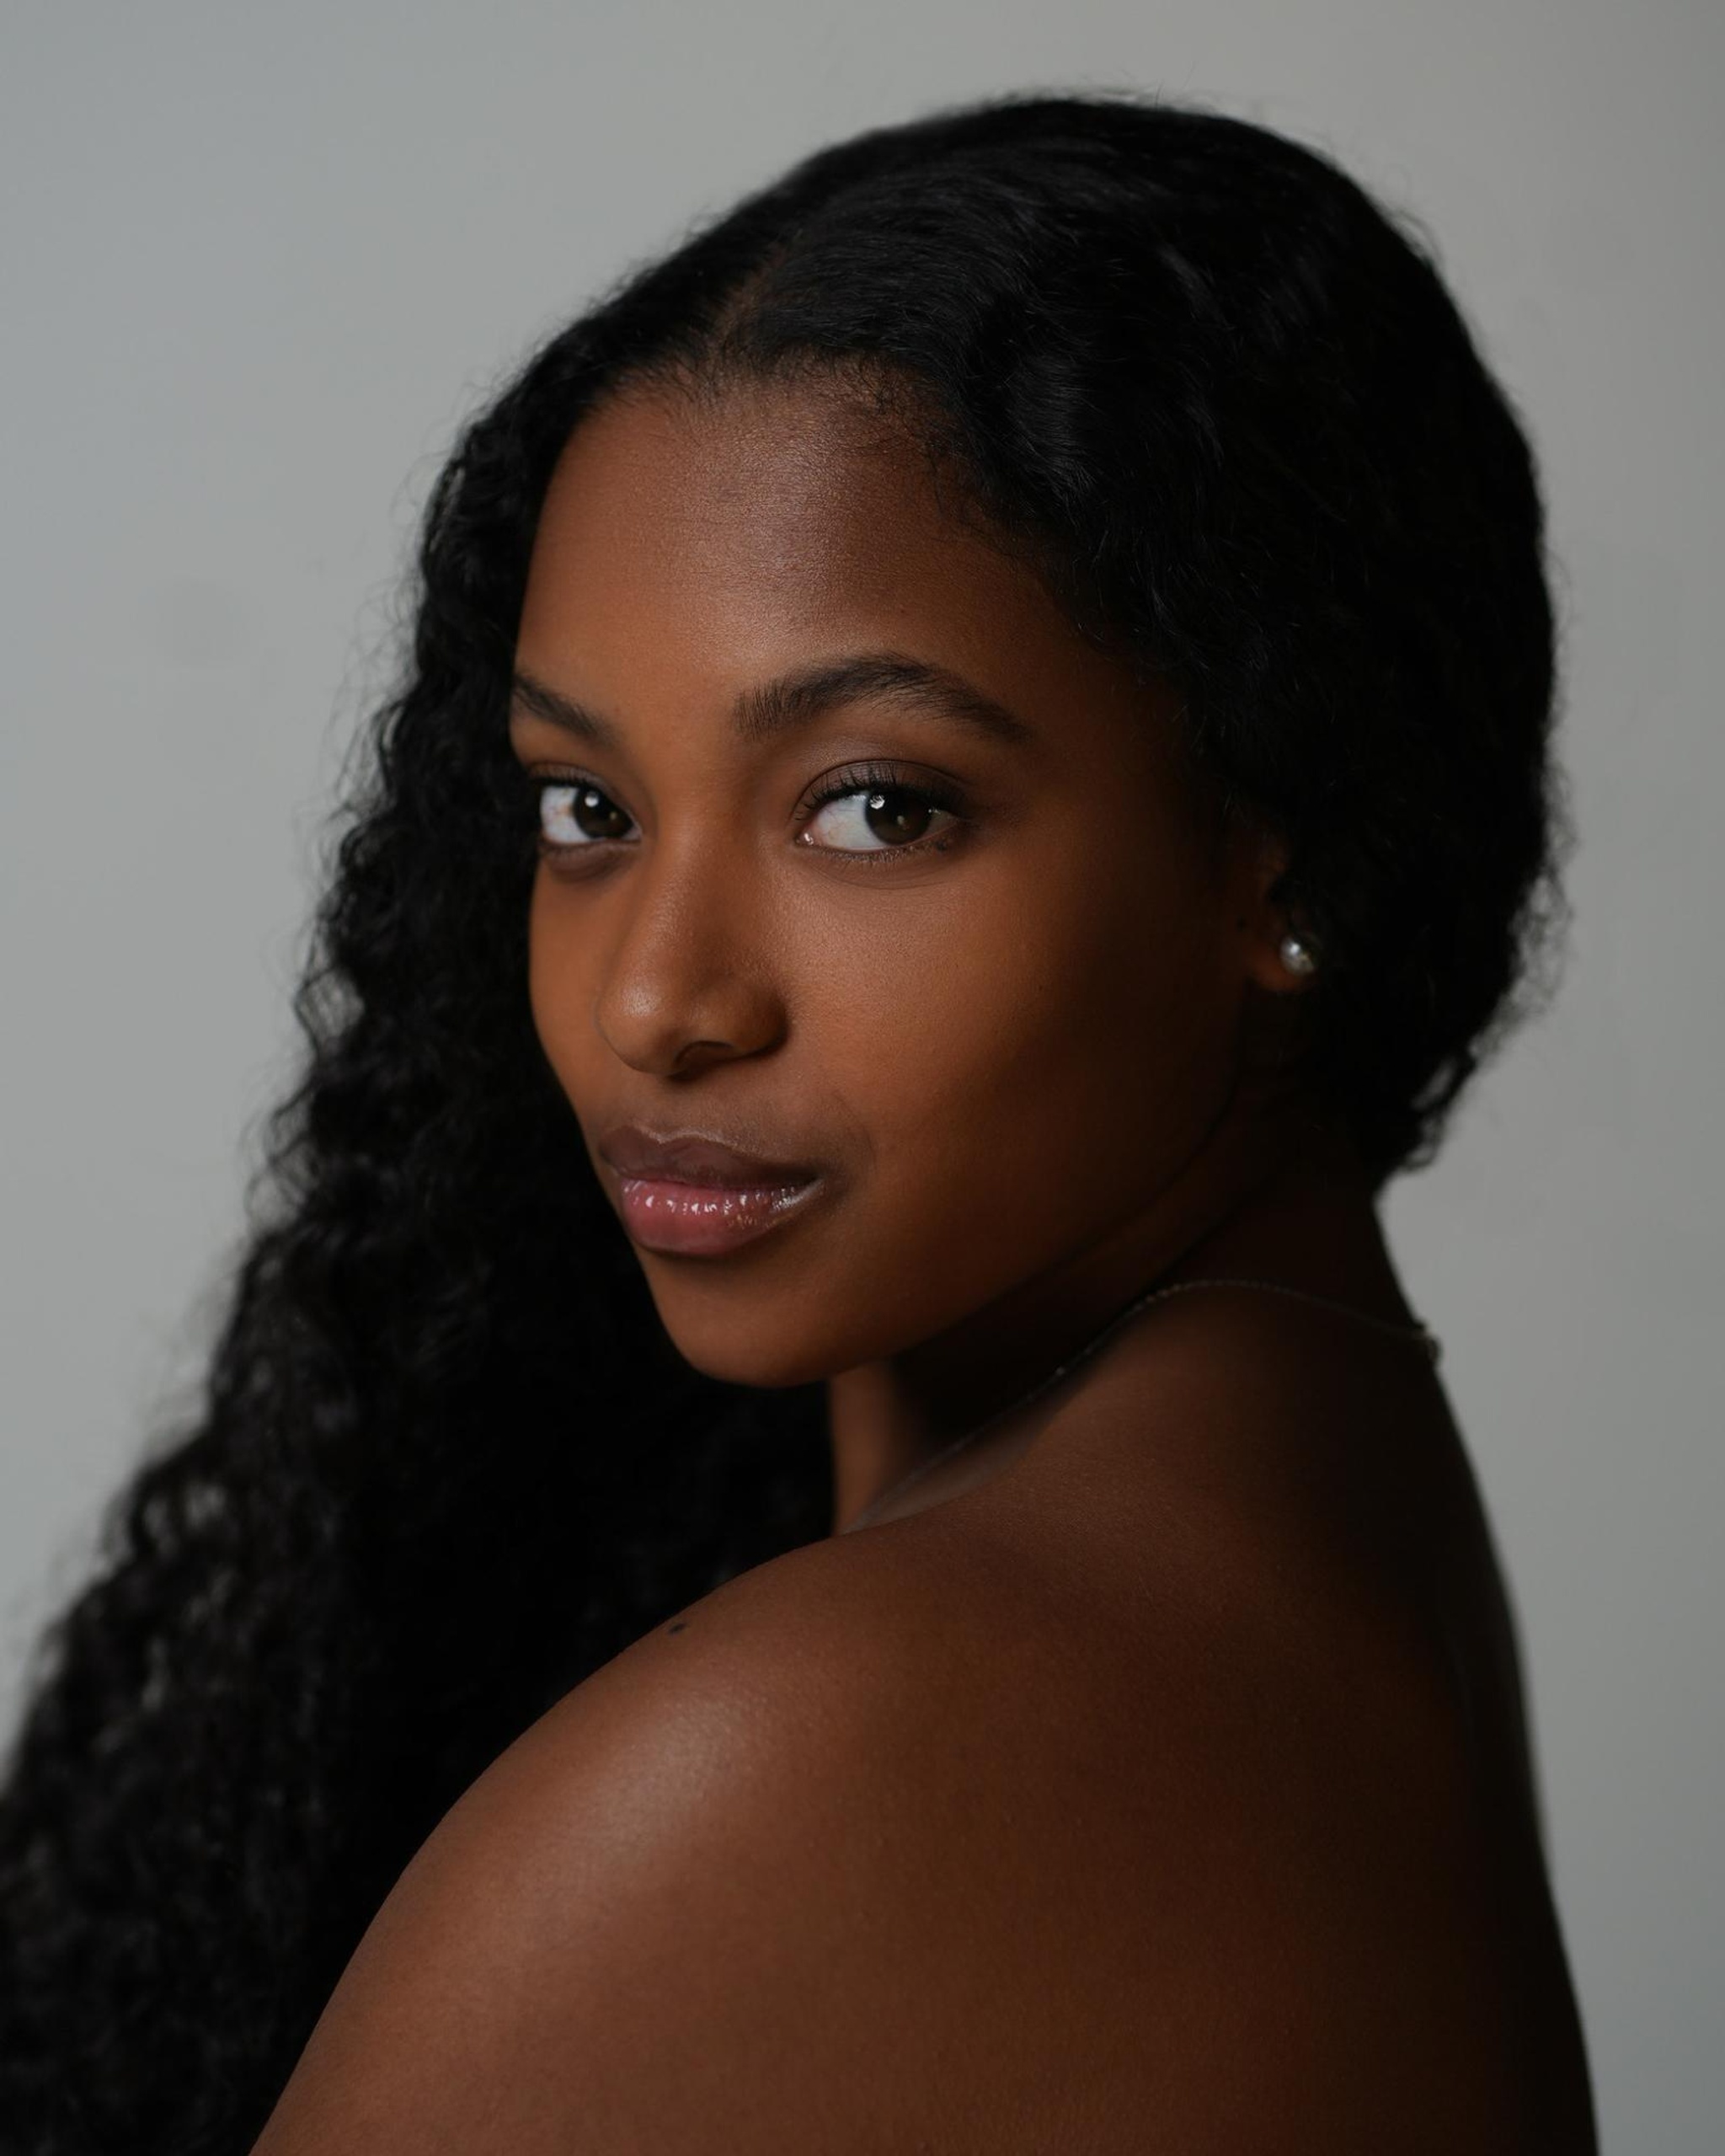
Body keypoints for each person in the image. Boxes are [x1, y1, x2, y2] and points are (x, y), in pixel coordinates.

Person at [0, 87, 1597, 2151]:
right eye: (588, 810)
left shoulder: (862, 1731)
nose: (657, 998)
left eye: (873, 805)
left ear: (1293, 865)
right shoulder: (1321, 1514)